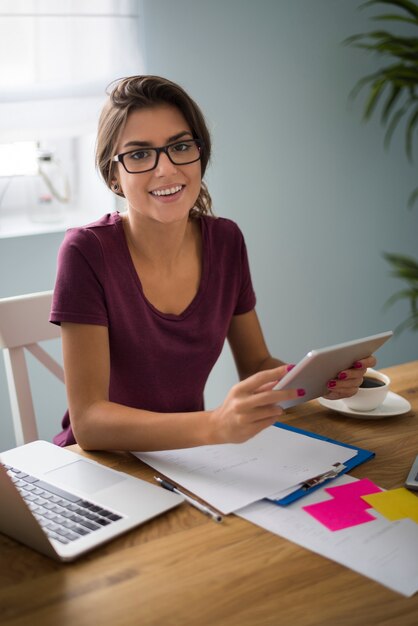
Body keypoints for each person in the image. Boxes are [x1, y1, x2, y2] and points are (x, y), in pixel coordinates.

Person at [50, 75, 375, 451]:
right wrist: (216, 425)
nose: (166, 169)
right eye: (139, 154)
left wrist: (319, 383)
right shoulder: (86, 251)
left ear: (199, 153)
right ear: (114, 176)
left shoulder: (225, 241)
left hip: (188, 458)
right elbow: (89, 422)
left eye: (180, 146)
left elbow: (255, 363)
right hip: (100, 466)